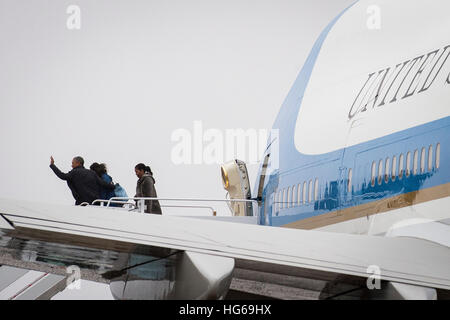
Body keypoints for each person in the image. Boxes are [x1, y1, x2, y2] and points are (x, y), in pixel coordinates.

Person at [49, 156, 115, 206]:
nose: (71, 165)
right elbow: (103, 183)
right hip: (95, 203)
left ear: (78, 163)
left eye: (73, 163)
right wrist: (113, 186)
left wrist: (52, 165)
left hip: (82, 203)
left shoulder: (74, 172)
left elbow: (62, 176)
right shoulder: (92, 173)